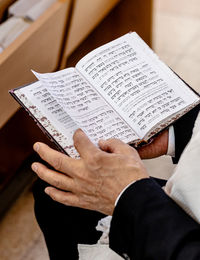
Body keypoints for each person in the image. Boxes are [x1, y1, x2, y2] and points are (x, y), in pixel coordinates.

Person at [32, 104, 200, 259]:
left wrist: (130, 196)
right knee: (54, 189)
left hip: (179, 239)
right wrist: (182, 130)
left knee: (61, 192)